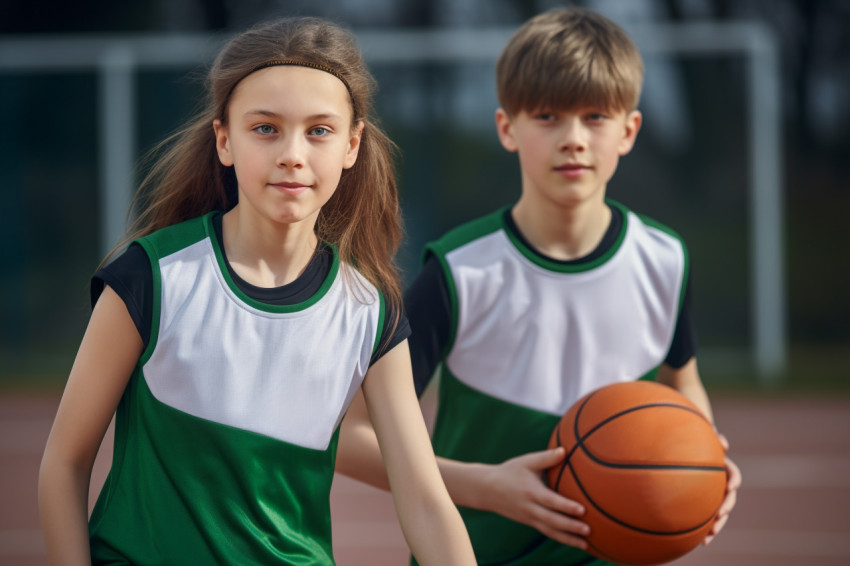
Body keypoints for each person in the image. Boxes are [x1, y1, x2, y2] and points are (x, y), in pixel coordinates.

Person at [38, 16, 476, 566]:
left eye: (319, 130)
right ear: (225, 139)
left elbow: (426, 502)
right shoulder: (151, 277)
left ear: (351, 145)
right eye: (265, 128)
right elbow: (65, 463)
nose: (292, 153)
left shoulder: (371, 310)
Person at [336, 6, 741, 565]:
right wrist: (486, 486)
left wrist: (704, 462)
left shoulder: (663, 259)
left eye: (595, 117)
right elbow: (353, 436)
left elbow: (683, 384)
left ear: (629, 131)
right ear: (508, 128)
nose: (573, 139)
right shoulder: (460, 272)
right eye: (548, 116)